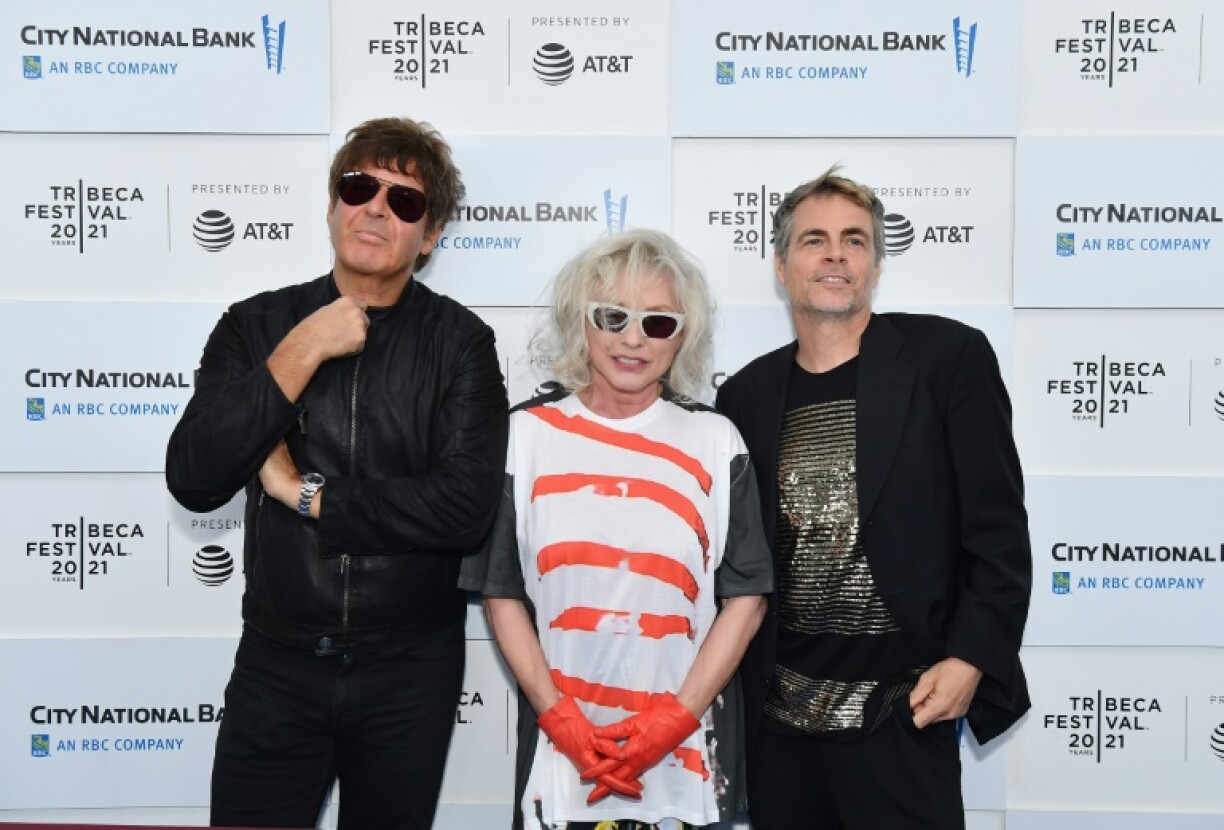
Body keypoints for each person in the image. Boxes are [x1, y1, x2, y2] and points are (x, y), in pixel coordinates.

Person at [165, 117, 509, 830]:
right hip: (277, 664)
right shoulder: (256, 327)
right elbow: (195, 478)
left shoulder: (461, 345)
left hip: (409, 671)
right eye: (358, 188)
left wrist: (305, 494)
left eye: (404, 200)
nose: (376, 208)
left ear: (431, 235)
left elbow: (464, 510)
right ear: (331, 206)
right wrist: (304, 348)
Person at [715, 168, 1031, 829]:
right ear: (781, 266)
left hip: (903, 715)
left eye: (854, 240)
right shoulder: (743, 396)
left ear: (876, 265)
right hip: (780, 731)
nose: (835, 255)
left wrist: (971, 657)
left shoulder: (947, 358)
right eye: (814, 240)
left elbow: (998, 531)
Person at [460, 229, 773, 830]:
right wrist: (561, 720)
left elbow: (747, 599)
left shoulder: (716, 440)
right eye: (612, 316)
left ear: (682, 335)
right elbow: (501, 592)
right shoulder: (523, 436)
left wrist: (674, 721)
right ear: (580, 320)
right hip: (560, 765)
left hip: (686, 766)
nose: (633, 339)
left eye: (657, 322)